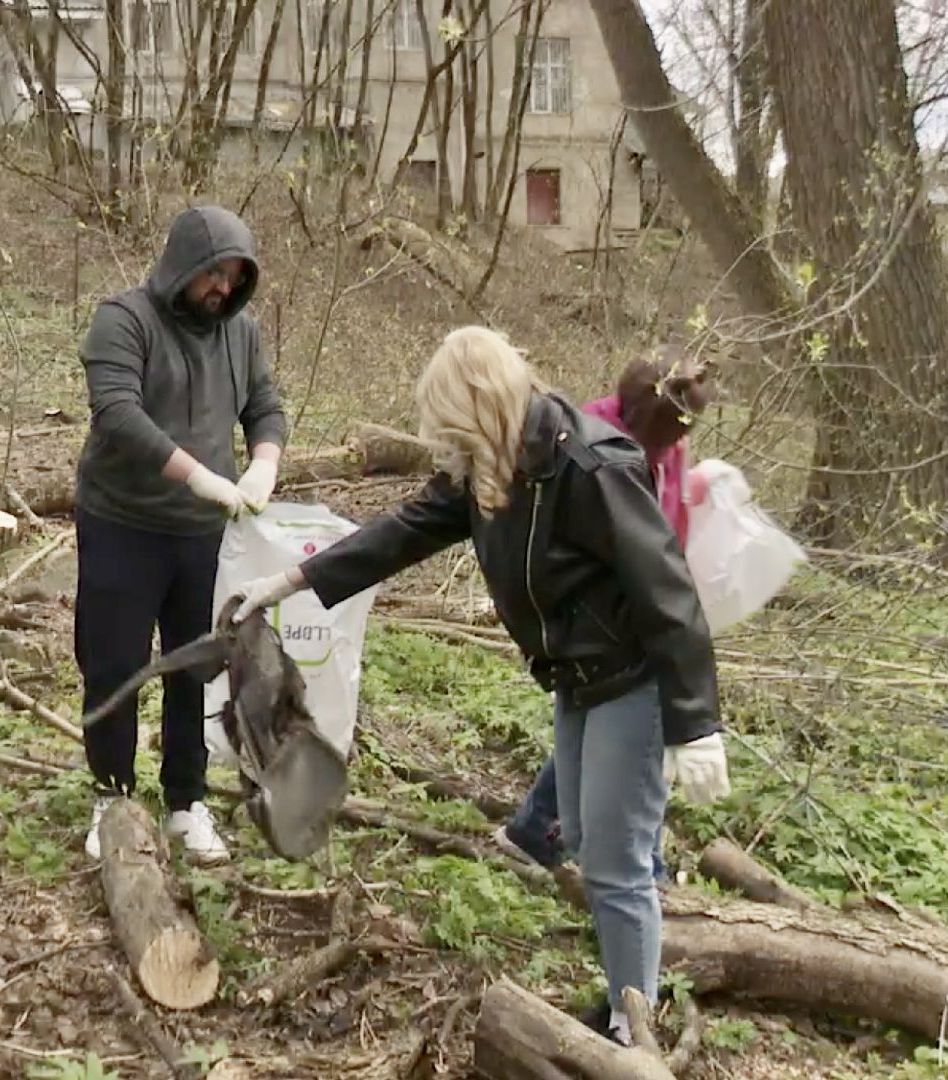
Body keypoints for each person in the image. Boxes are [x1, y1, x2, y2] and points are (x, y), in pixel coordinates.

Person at [228, 326, 729, 1041]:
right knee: (585, 837)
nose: (442, 444)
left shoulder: (586, 466)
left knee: (617, 860)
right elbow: (403, 530)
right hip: (579, 680)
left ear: (479, 404)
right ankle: (628, 998)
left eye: (448, 423)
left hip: (633, 679)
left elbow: (666, 591)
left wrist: (694, 721)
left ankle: (630, 1027)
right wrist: (292, 579)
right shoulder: (493, 465)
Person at [75, 205, 287, 864]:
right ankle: (111, 797)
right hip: (122, 523)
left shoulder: (240, 334)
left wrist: (262, 463)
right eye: (212, 274)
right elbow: (116, 412)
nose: (221, 288)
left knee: (196, 665)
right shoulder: (123, 320)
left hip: (204, 535)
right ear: (182, 267)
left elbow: (264, 405)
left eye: (233, 277)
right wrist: (195, 474)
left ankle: (184, 803)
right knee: (115, 661)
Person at [495, 345, 716, 874]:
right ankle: (627, 861)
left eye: (679, 440)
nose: (673, 448)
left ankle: (563, 837)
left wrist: (693, 496)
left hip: (640, 616)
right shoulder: (589, 442)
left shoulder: (666, 443)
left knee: (619, 742)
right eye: (666, 439)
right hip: (596, 626)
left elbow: (659, 532)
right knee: (620, 739)